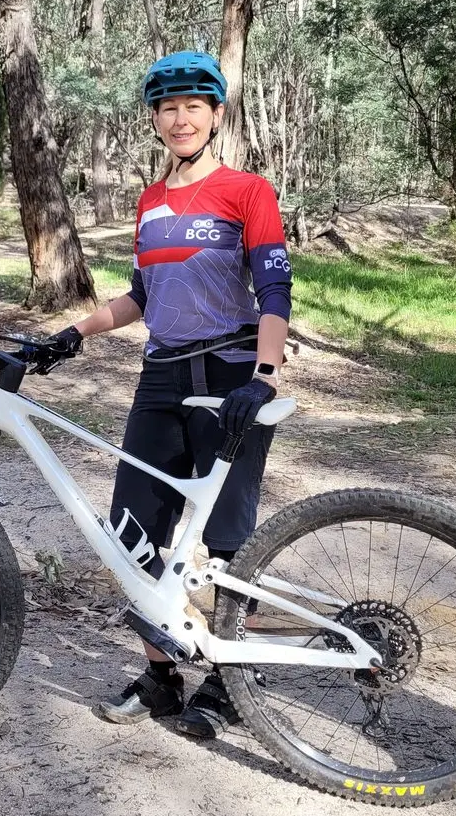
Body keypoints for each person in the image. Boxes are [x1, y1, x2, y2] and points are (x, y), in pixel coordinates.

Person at [49, 50, 292, 739]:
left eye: (193, 105)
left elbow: (274, 291)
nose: (179, 118)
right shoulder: (150, 202)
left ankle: (231, 683)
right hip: (161, 378)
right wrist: (75, 330)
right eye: (167, 107)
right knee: (134, 532)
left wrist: (264, 374)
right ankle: (159, 678)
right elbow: (140, 295)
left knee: (229, 537)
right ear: (155, 118)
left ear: (216, 115)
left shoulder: (248, 191)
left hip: (230, 374)